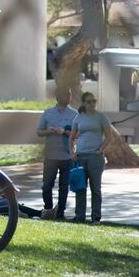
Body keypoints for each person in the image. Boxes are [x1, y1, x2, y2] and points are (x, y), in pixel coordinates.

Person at [69, 91, 113, 224]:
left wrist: (100, 150)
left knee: (96, 188)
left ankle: (96, 217)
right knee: (80, 187)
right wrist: (72, 152)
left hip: (95, 157)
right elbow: (71, 138)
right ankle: (79, 216)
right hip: (81, 156)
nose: (92, 104)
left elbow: (109, 136)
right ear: (84, 103)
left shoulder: (101, 117)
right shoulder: (78, 118)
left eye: (94, 101)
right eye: (89, 101)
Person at [37, 87, 78, 221]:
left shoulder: (74, 114)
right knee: (47, 185)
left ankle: (60, 212)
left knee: (64, 186)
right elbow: (39, 132)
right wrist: (50, 131)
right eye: (66, 95)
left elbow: (77, 133)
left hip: (67, 156)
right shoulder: (48, 113)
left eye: (70, 95)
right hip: (50, 156)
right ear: (58, 97)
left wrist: (64, 132)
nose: (69, 98)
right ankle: (48, 209)